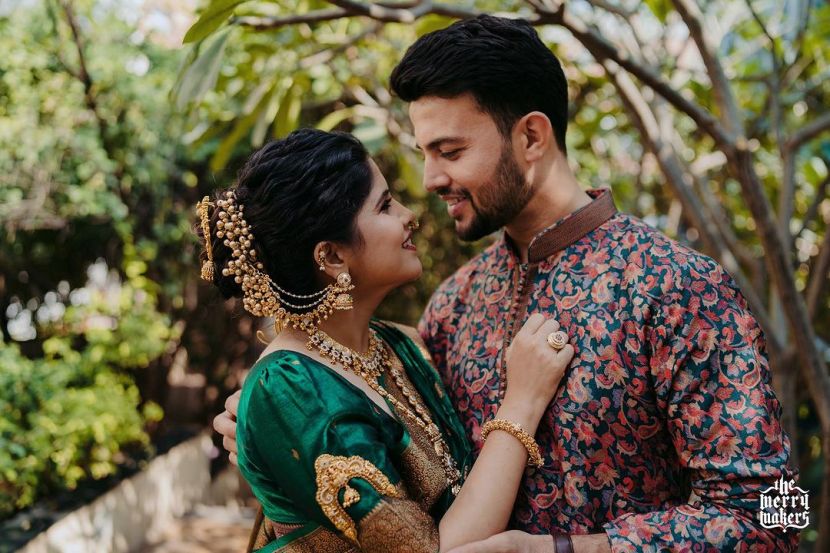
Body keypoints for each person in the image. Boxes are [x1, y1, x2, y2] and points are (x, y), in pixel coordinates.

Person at [216, 15, 798, 552]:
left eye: (450, 151)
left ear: (531, 138)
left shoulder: (680, 288)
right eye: (424, 153)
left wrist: (568, 550)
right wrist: (281, 434)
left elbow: (781, 516)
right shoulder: (454, 305)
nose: (430, 179)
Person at [197, 128, 576, 553]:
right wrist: (522, 403)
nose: (410, 213)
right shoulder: (290, 389)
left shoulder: (397, 342)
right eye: (385, 206)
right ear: (333, 256)